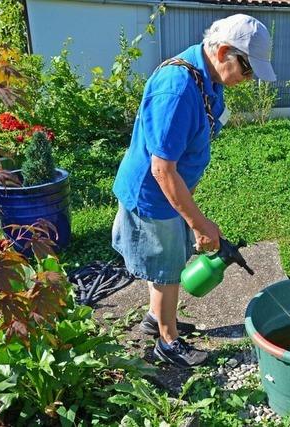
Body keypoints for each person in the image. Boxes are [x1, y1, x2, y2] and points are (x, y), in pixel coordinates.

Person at [112, 14, 276, 368]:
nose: (248, 80)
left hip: (170, 189)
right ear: (224, 52)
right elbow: (162, 168)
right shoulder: (177, 88)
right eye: (247, 70)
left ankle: (155, 318)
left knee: (167, 258)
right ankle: (168, 341)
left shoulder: (207, 78)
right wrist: (199, 223)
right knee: (168, 267)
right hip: (153, 193)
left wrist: (191, 213)